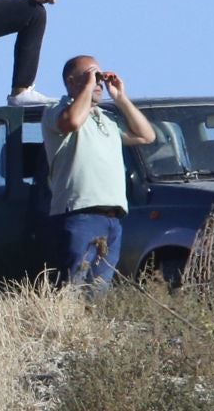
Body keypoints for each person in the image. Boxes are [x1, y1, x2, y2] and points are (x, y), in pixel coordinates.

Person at [45, 56, 155, 295]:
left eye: (99, 77)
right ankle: (64, 329)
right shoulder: (56, 110)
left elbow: (147, 136)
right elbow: (72, 121)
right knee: (71, 287)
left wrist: (120, 98)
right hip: (79, 214)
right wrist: (87, 86)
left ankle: (86, 331)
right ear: (72, 81)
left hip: (112, 219)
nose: (98, 82)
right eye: (92, 76)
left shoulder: (106, 119)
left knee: (97, 291)